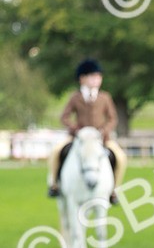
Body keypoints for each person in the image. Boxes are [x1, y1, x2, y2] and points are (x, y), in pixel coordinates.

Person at [49, 59, 126, 202]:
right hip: (78, 138)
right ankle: (54, 184)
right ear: (82, 79)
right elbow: (65, 117)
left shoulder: (105, 97)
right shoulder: (75, 97)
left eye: (98, 77)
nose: (96, 80)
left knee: (120, 157)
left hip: (101, 139)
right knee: (56, 151)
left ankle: (114, 189)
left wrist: (103, 131)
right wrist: (76, 130)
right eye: (92, 76)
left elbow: (112, 118)